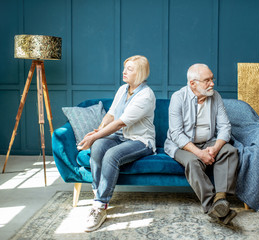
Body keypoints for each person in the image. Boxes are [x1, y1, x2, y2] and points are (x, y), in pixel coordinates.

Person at [77, 55, 156, 232]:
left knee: (111, 155)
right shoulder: (122, 89)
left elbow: (121, 122)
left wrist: (93, 137)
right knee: (98, 146)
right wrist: (98, 131)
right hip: (118, 136)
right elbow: (111, 114)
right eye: (124, 67)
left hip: (140, 140)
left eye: (129, 69)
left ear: (141, 73)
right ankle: (98, 194)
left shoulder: (146, 95)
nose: (124, 71)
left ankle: (100, 206)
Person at [164, 63, 239, 224]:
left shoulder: (215, 96)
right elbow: (176, 134)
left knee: (230, 151)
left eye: (212, 79)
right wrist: (200, 154)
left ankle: (220, 198)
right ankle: (212, 205)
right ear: (193, 83)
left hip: (209, 142)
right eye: (207, 80)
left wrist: (215, 147)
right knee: (192, 162)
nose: (212, 83)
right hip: (182, 145)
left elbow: (225, 127)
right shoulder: (178, 97)